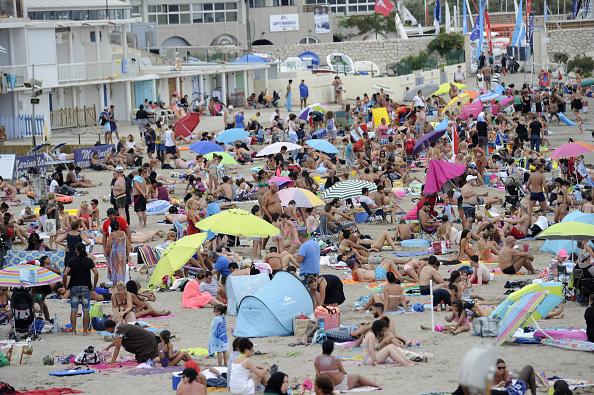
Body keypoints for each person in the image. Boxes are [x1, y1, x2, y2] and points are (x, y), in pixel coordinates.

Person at [62, 242, 99, 336]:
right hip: (86, 288)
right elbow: (96, 273)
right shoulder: (89, 261)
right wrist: (94, 285)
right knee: (86, 310)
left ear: (76, 250)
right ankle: (85, 331)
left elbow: (65, 273)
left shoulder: (72, 260)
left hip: (74, 287)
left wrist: (66, 285)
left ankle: (74, 331)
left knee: (74, 310)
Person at [105, 219, 130, 284]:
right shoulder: (124, 233)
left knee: (114, 269)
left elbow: (109, 246)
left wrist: (106, 253)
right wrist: (128, 254)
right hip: (122, 253)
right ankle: (122, 281)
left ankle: (116, 282)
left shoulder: (112, 235)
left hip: (115, 254)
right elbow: (127, 245)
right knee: (122, 268)